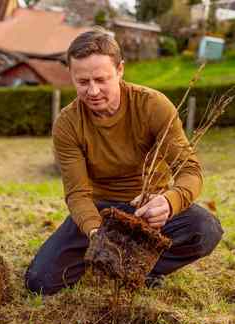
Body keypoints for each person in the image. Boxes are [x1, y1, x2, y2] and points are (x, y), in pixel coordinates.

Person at [25, 28, 223, 295]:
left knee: (205, 229)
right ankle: (107, 263)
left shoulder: (153, 106)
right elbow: (77, 194)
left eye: (101, 79)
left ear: (120, 70)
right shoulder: (67, 124)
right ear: (71, 77)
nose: (92, 91)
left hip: (148, 210)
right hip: (101, 214)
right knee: (40, 282)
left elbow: (190, 171)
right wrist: (97, 236)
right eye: (82, 82)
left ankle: (144, 267)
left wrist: (168, 201)